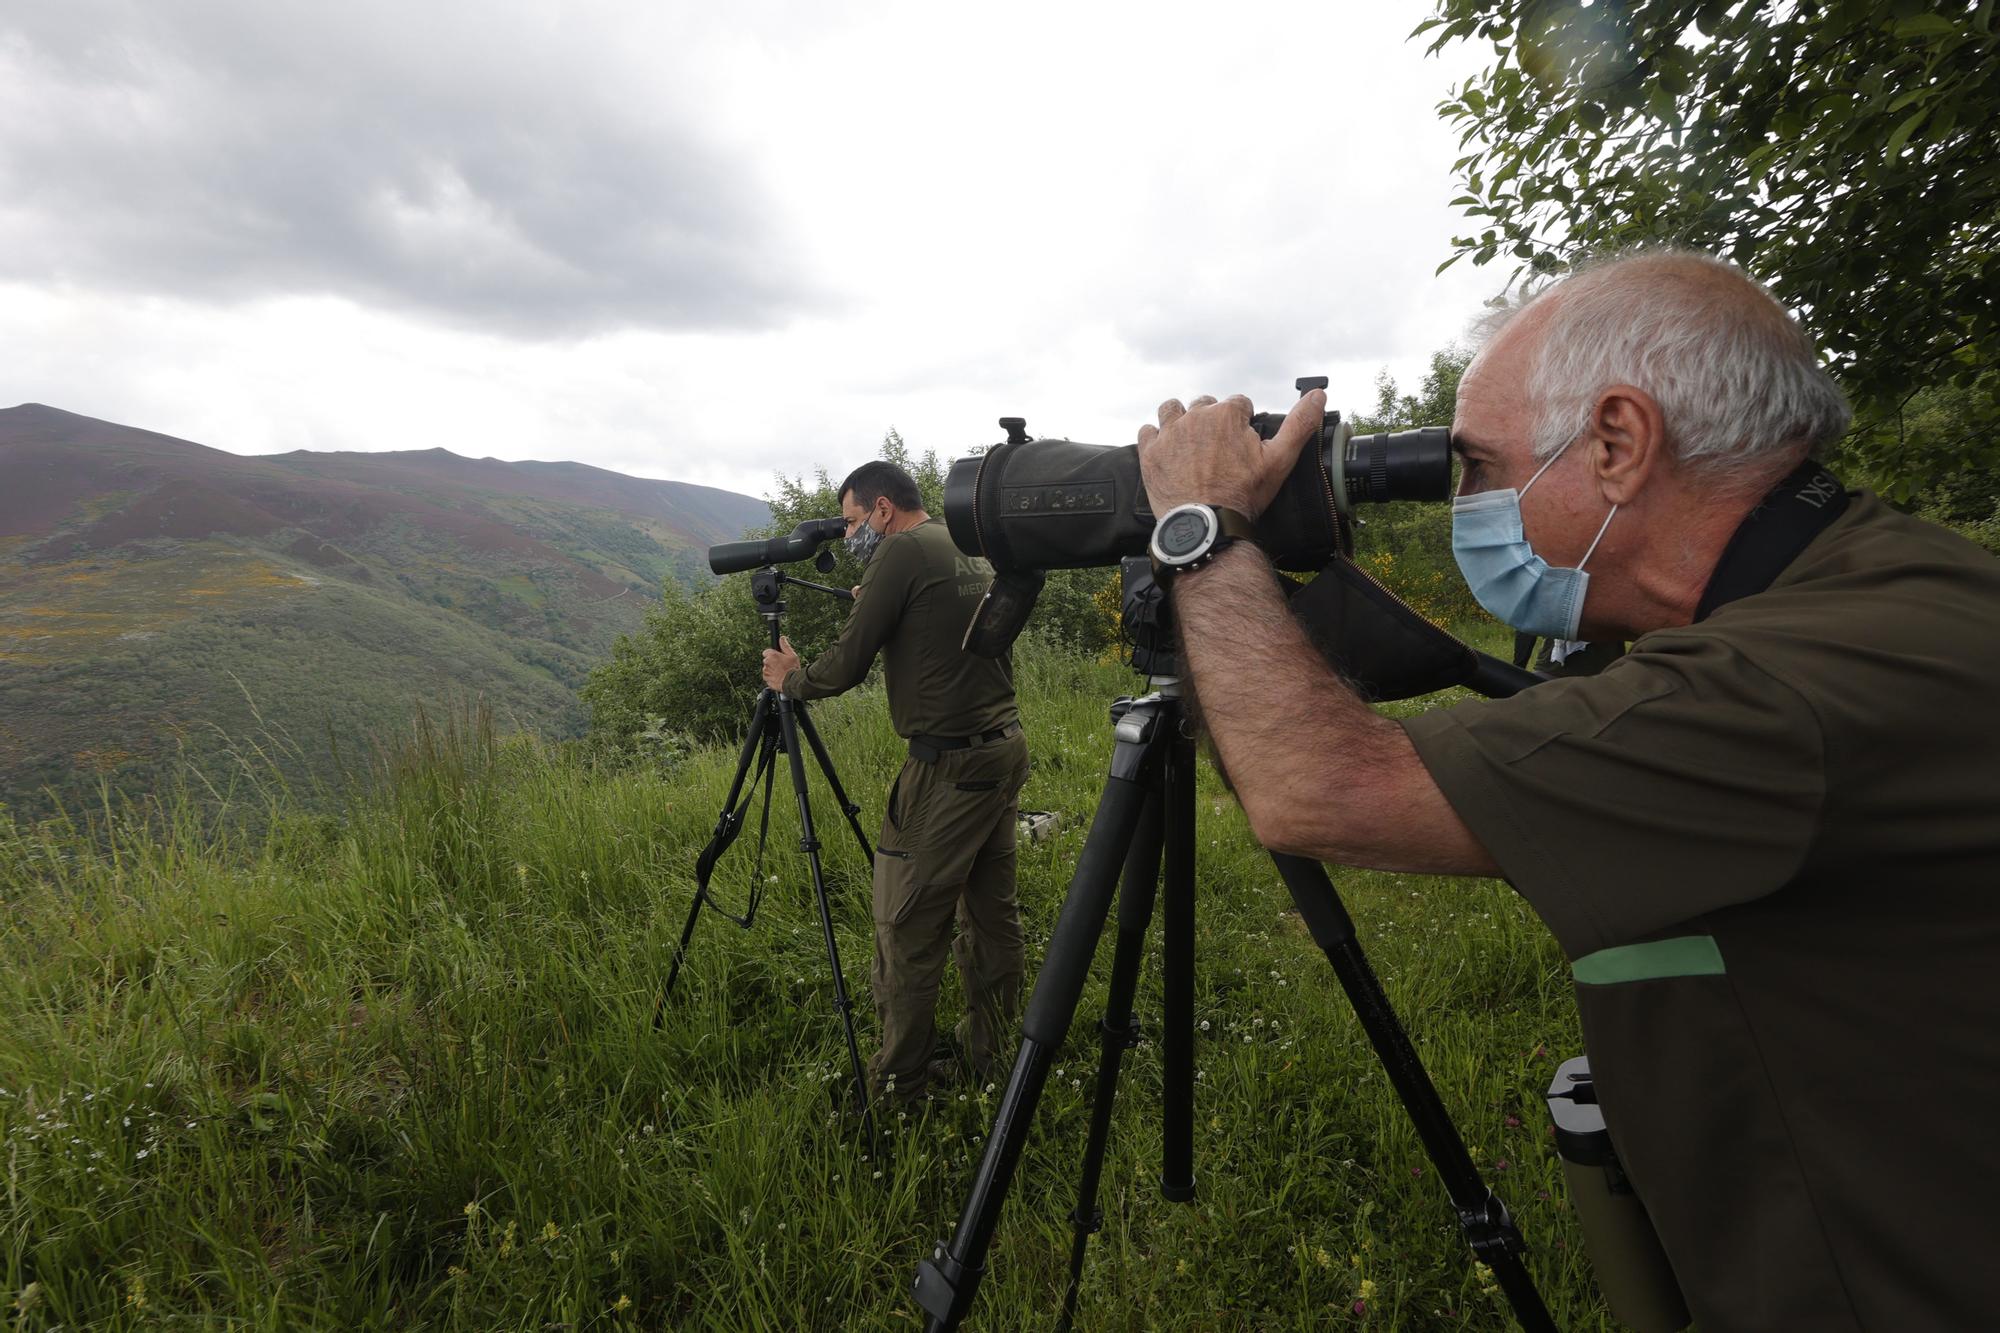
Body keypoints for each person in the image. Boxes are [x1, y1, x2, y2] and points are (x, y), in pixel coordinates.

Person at [1131, 248, 2000, 1333]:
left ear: (1618, 443)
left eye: (1479, 467)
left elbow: (1317, 789)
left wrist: (1202, 530)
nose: (1463, 505)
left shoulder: (1771, 689)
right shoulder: (1885, 583)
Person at [760, 460, 1029, 1109]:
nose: (851, 534)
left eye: (853, 520)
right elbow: (948, 628)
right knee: (992, 916)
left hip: (948, 767)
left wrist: (791, 677)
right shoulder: (960, 541)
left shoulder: (901, 551)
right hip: (1000, 749)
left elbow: (848, 662)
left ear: (883, 509)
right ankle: (993, 1053)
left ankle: (900, 1087)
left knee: (905, 927)